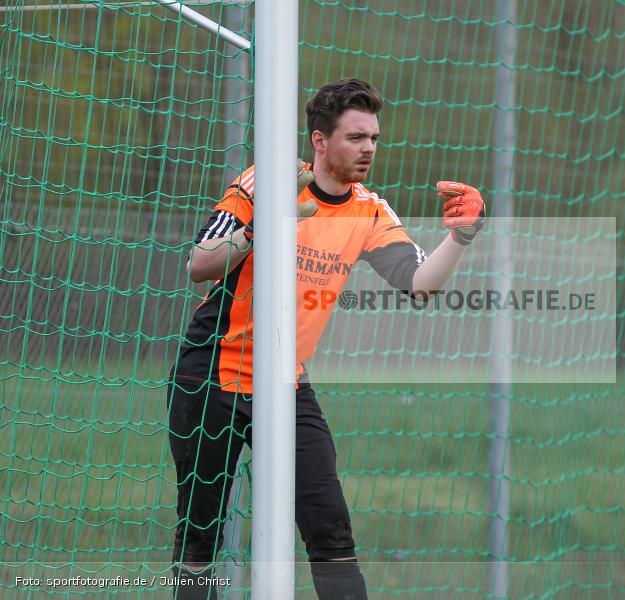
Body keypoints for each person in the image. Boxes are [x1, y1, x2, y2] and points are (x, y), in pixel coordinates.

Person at [166, 78, 486, 599]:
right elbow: (199, 265)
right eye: (356, 137)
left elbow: (419, 284)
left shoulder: (368, 211)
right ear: (320, 141)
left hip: (286, 387)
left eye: (374, 139)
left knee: (331, 530)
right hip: (211, 378)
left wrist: (461, 237)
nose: (368, 150)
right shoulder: (263, 182)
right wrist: (264, 228)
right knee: (199, 539)